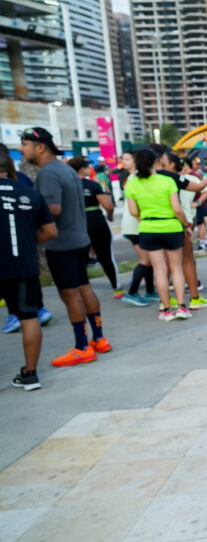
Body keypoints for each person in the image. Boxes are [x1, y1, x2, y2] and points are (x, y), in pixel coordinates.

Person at [24, 127, 111, 365]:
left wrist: (28, 217)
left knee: (69, 294)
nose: (22, 149)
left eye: (25, 145)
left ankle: (82, 347)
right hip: (79, 239)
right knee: (84, 288)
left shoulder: (48, 173)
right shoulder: (65, 168)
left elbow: (53, 209)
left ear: (39, 147)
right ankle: (99, 339)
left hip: (61, 244)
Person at [1, 153, 56, 390]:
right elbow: (51, 231)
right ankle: (30, 373)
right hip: (23, 264)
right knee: (28, 317)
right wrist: (28, 241)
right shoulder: (31, 194)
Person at [123, 148, 191, 321]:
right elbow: (177, 209)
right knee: (176, 268)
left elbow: (132, 211)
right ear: (156, 161)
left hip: (148, 228)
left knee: (160, 270)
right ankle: (182, 307)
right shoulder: (167, 181)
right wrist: (186, 225)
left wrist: (145, 220)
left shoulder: (131, 183)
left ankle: (166, 309)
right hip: (171, 226)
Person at [154, 148, 207, 309]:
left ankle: (165, 301)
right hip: (179, 222)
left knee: (163, 265)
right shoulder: (176, 178)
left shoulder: (150, 178)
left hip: (153, 226)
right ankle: (194, 298)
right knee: (187, 261)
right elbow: (200, 187)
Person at [69, 157, 123, 298]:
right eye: (87, 166)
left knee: (80, 258)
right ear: (82, 169)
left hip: (77, 225)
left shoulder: (67, 185)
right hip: (96, 222)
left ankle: (81, 291)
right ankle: (116, 288)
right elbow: (108, 206)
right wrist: (110, 217)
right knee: (106, 256)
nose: (89, 169)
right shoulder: (92, 185)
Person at [118, 151, 157, 307]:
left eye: (128, 159)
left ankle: (149, 290)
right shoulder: (133, 179)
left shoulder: (137, 178)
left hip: (139, 225)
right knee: (146, 260)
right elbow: (136, 209)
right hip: (135, 226)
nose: (125, 162)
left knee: (150, 261)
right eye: (124, 159)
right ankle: (132, 292)